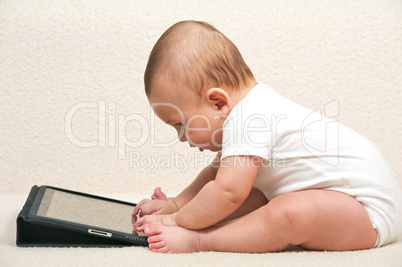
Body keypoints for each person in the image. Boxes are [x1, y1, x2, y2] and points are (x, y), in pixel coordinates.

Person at [132, 20, 402, 253]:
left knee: (288, 212)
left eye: (180, 123)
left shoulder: (252, 118)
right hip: (346, 205)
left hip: (370, 214)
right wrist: (176, 203)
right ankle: (203, 230)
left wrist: (176, 221)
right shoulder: (249, 111)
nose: (181, 137)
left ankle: (203, 241)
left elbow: (226, 192)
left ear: (217, 102)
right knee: (256, 194)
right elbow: (216, 176)